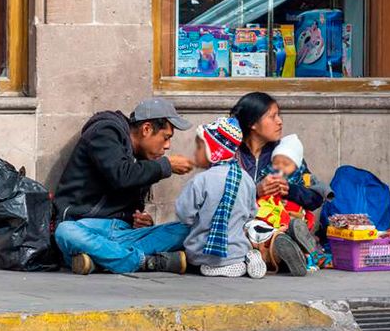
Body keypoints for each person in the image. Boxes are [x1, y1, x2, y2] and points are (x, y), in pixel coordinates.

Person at [53, 98, 196, 275]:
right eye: (166, 138)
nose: (167, 146)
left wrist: (140, 220)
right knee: (65, 231)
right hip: (87, 228)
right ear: (146, 129)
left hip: (123, 236)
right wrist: (165, 166)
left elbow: (131, 205)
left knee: (190, 229)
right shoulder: (105, 132)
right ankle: (145, 262)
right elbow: (121, 175)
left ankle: (102, 260)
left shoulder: (144, 159)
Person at [231, 92, 332, 276]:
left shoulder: (285, 154)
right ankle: (285, 251)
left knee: (288, 225)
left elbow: (315, 198)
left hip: (281, 221)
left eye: (279, 115)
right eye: (272, 116)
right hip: (244, 227)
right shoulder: (231, 155)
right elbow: (216, 199)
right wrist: (255, 192)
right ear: (252, 124)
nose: (280, 121)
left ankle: (284, 247)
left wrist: (289, 189)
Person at [175, 117, 266, 279]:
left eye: (199, 147)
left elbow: (184, 215)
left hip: (201, 254)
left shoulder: (201, 180)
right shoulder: (246, 179)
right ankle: (245, 258)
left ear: (213, 150)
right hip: (238, 249)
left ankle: (218, 266)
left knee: (178, 236)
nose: (196, 152)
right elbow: (251, 214)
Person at [255, 134, 333, 271]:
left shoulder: (304, 177)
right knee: (270, 234)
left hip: (295, 218)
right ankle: (290, 254)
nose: (280, 167)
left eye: (286, 164)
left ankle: (300, 249)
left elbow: (316, 198)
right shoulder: (266, 175)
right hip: (273, 221)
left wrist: (290, 190)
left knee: (297, 228)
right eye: (276, 162)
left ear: (297, 166)